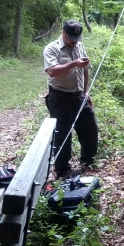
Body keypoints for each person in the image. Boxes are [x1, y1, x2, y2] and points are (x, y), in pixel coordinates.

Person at [43, 20, 99, 179]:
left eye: (77, 38)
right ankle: (63, 171)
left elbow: (85, 69)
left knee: (90, 127)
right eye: (72, 38)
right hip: (59, 96)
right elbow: (52, 71)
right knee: (63, 134)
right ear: (64, 33)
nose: (75, 42)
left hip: (78, 95)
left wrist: (85, 91)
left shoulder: (80, 46)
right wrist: (74, 64)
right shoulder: (52, 49)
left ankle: (88, 161)